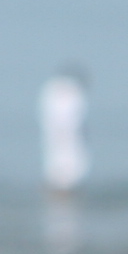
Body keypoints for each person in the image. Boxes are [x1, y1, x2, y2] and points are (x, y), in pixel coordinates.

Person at [40, 65, 91, 195]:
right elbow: (75, 121)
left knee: (60, 162)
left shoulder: (51, 89)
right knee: (67, 164)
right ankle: (63, 190)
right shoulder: (71, 92)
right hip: (66, 141)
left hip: (58, 140)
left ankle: (60, 189)